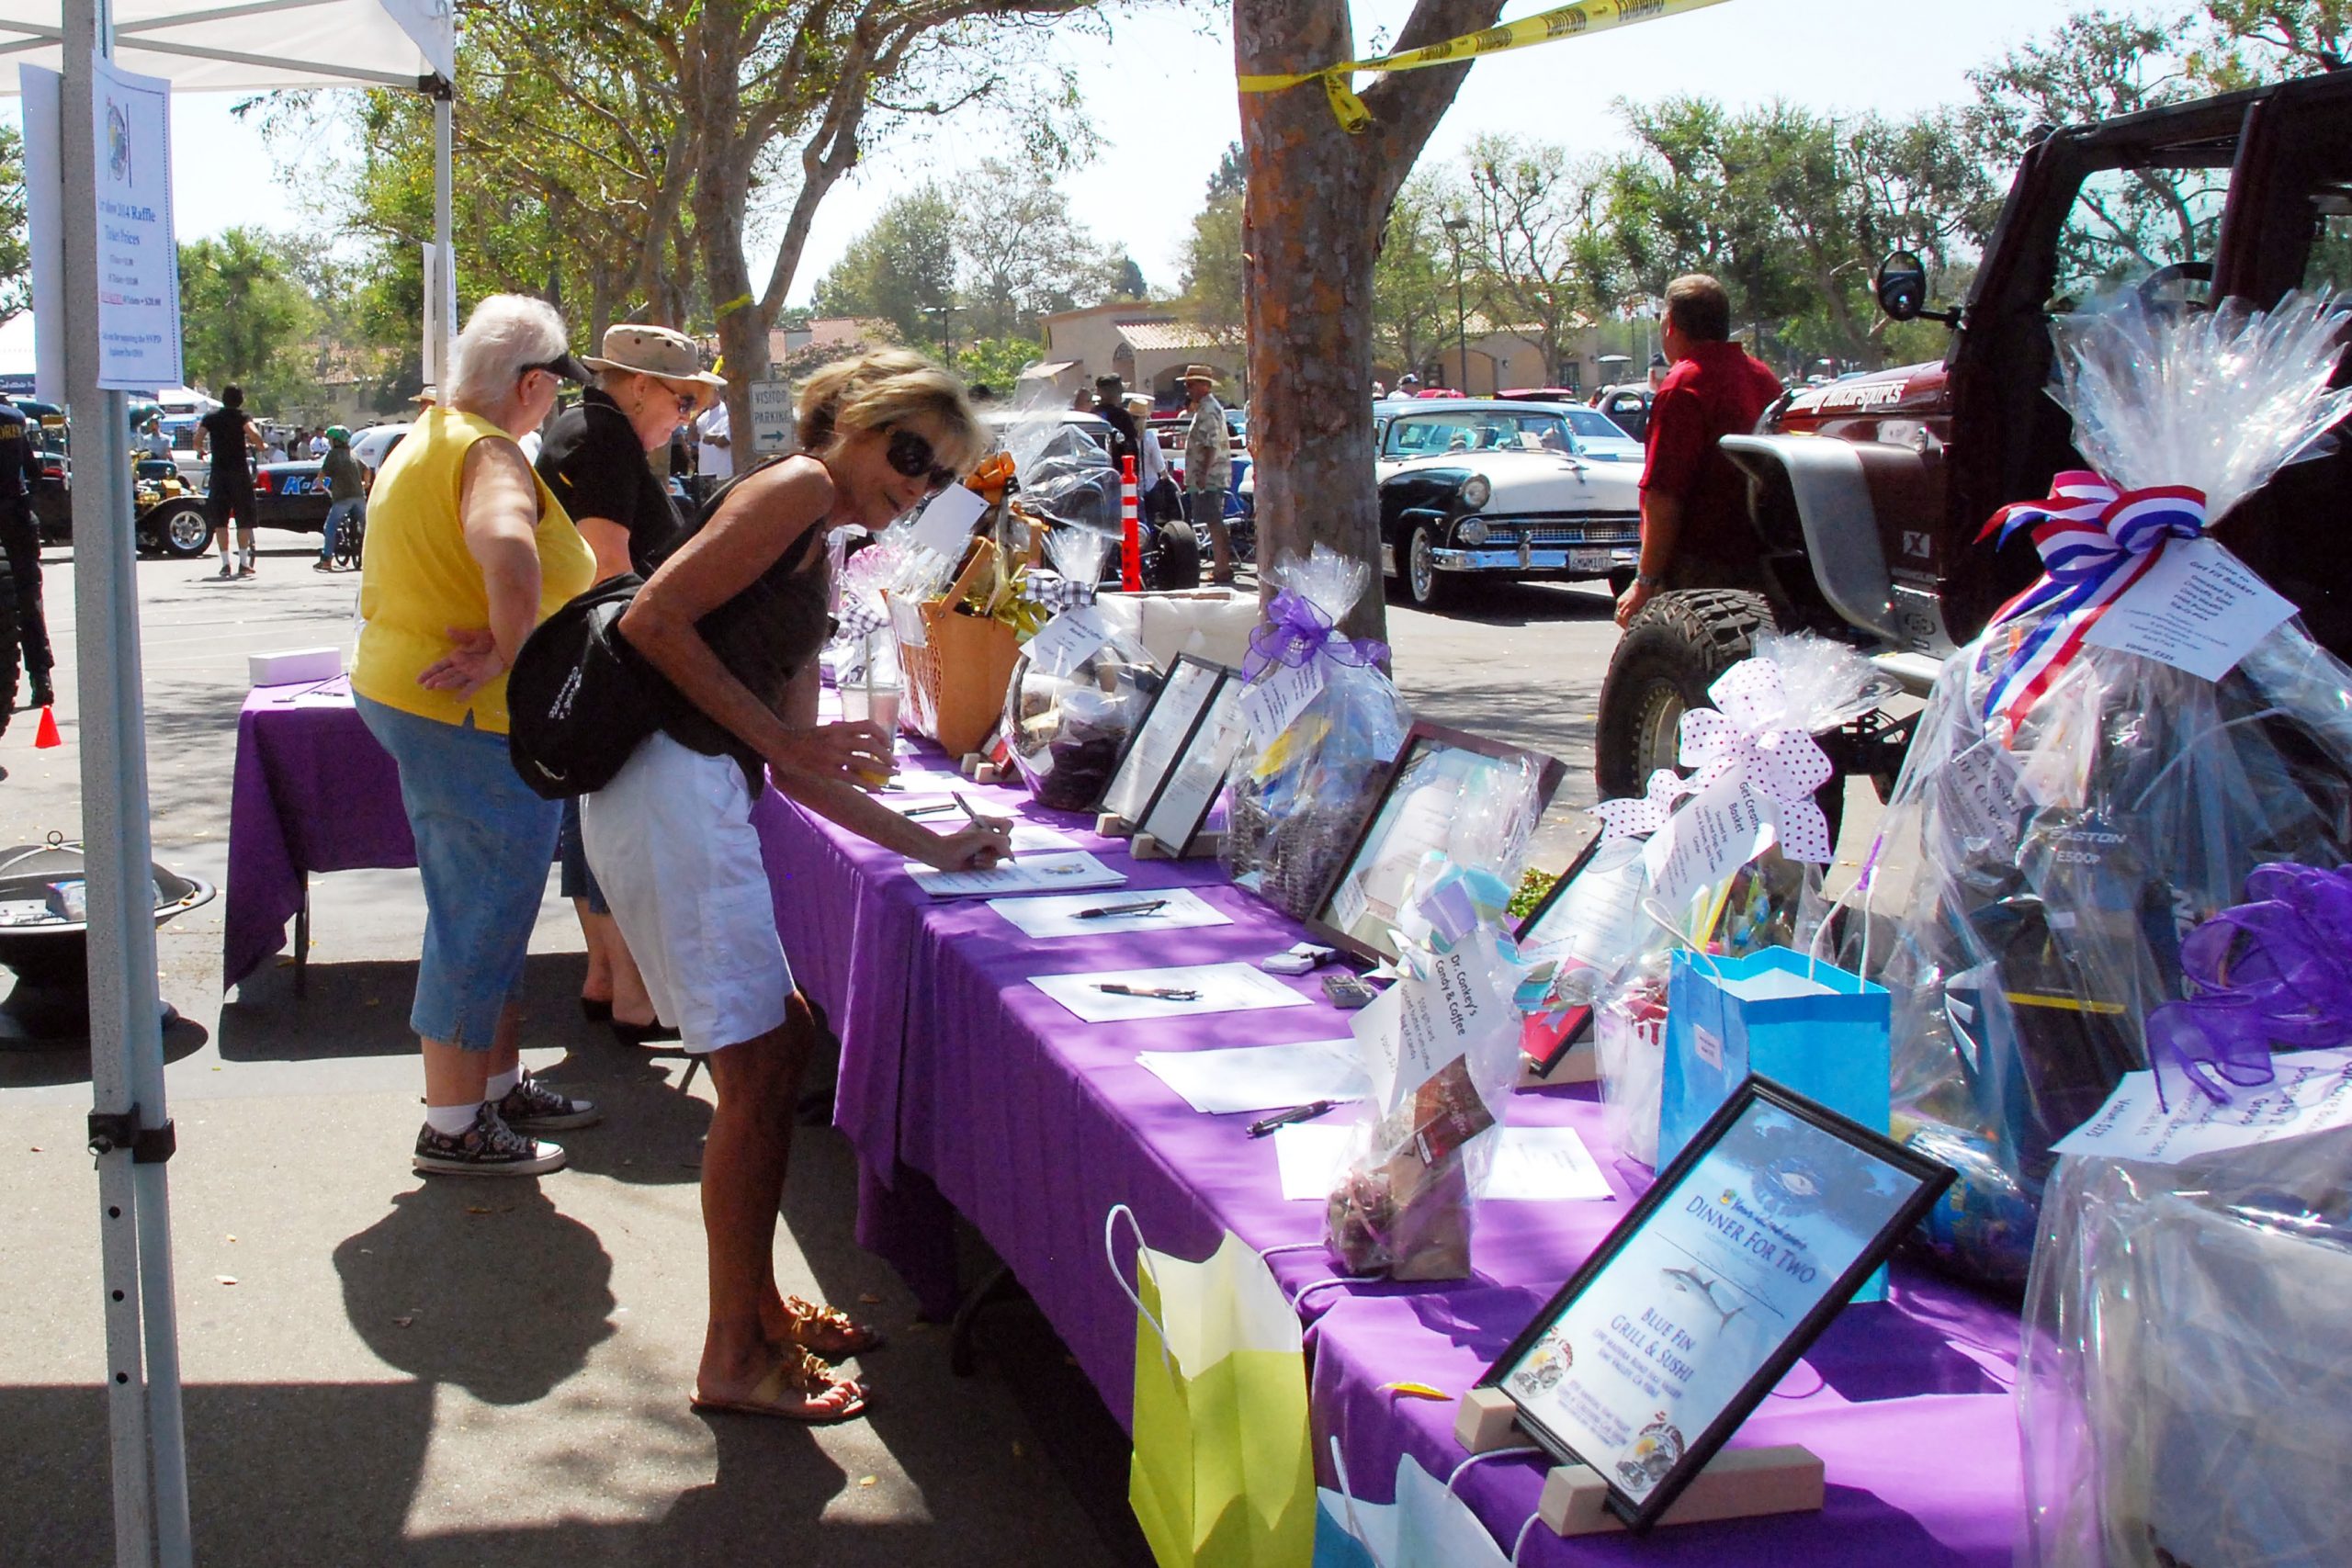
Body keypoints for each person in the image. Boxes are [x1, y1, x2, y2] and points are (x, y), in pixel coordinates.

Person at [582, 346, 1008, 1421]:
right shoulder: (799, 488)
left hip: (690, 792)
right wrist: (783, 740)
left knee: (776, 1049)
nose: (917, 485)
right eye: (908, 454)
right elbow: (649, 620)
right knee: (766, 1062)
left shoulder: (821, 539)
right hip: (666, 789)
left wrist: (934, 845)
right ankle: (734, 1352)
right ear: (851, 419)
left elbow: (799, 766)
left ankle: (759, 1311)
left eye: (939, 474)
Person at [350, 294, 601, 1177]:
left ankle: (491, 1088)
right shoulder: (489, 450)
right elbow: (508, 545)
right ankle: (455, 1123)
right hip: (467, 715)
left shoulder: (432, 434)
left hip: (421, 698)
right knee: (480, 913)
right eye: (555, 388)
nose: (556, 404)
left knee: (485, 906)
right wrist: (509, 651)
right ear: (531, 384)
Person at [537, 322, 719, 1046]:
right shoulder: (604, 437)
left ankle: (612, 977)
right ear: (639, 385)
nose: (685, 419)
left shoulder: (582, 427)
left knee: (590, 818)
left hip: (587, 655)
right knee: (612, 823)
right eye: (682, 401)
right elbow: (606, 561)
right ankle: (633, 988)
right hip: (609, 657)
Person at [1614, 274, 1787, 629]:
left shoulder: (1684, 384)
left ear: (1671, 324)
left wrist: (1645, 581)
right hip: (1763, 560)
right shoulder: (1763, 377)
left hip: (1700, 567)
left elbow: (1664, 494)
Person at [0, 393, 52, 711]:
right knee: (29, 598)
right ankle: (41, 677)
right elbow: (32, 469)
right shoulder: (15, 418)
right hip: (18, 516)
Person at [195, 385, 265, 579]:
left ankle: (225, 563)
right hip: (239, 473)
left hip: (219, 473)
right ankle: (243, 563)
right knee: (244, 518)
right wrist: (261, 445)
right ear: (240, 399)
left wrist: (201, 450)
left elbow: (197, 440)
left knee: (220, 520)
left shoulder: (210, 418)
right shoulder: (243, 417)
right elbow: (253, 434)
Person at [1179, 365, 1233, 582]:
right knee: (1213, 521)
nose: (1188, 389)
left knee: (1214, 521)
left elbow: (1211, 444)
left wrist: (1203, 473)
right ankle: (1221, 566)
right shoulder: (1205, 408)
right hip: (1208, 475)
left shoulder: (1209, 410)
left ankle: (1222, 567)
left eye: (1191, 384)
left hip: (1210, 477)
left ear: (1204, 385)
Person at [315, 426, 366, 572]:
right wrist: (365, 484)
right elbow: (367, 469)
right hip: (359, 496)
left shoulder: (333, 455)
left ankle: (326, 560)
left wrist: (319, 483)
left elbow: (323, 473)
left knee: (330, 527)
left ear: (335, 441)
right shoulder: (353, 453)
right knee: (366, 526)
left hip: (343, 497)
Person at [1126, 393, 1179, 524]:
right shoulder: (1149, 437)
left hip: (1128, 489)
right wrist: (1168, 479)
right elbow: (1159, 466)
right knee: (1149, 523)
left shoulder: (1123, 437)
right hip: (1149, 488)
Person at [1091, 374, 1142, 475]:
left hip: (1095, 470)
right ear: (1117, 394)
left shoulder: (1091, 414)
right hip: (1119, 471)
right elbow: (1130, 448)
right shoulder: (1122, 416)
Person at [695, 391, 734, 482]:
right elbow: (702, 438)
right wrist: (694, 418)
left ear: (717, 393)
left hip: (725, 471)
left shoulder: (725, 412)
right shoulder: (703, 416)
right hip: (706, 469)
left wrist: (713, 438)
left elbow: (723, 441)